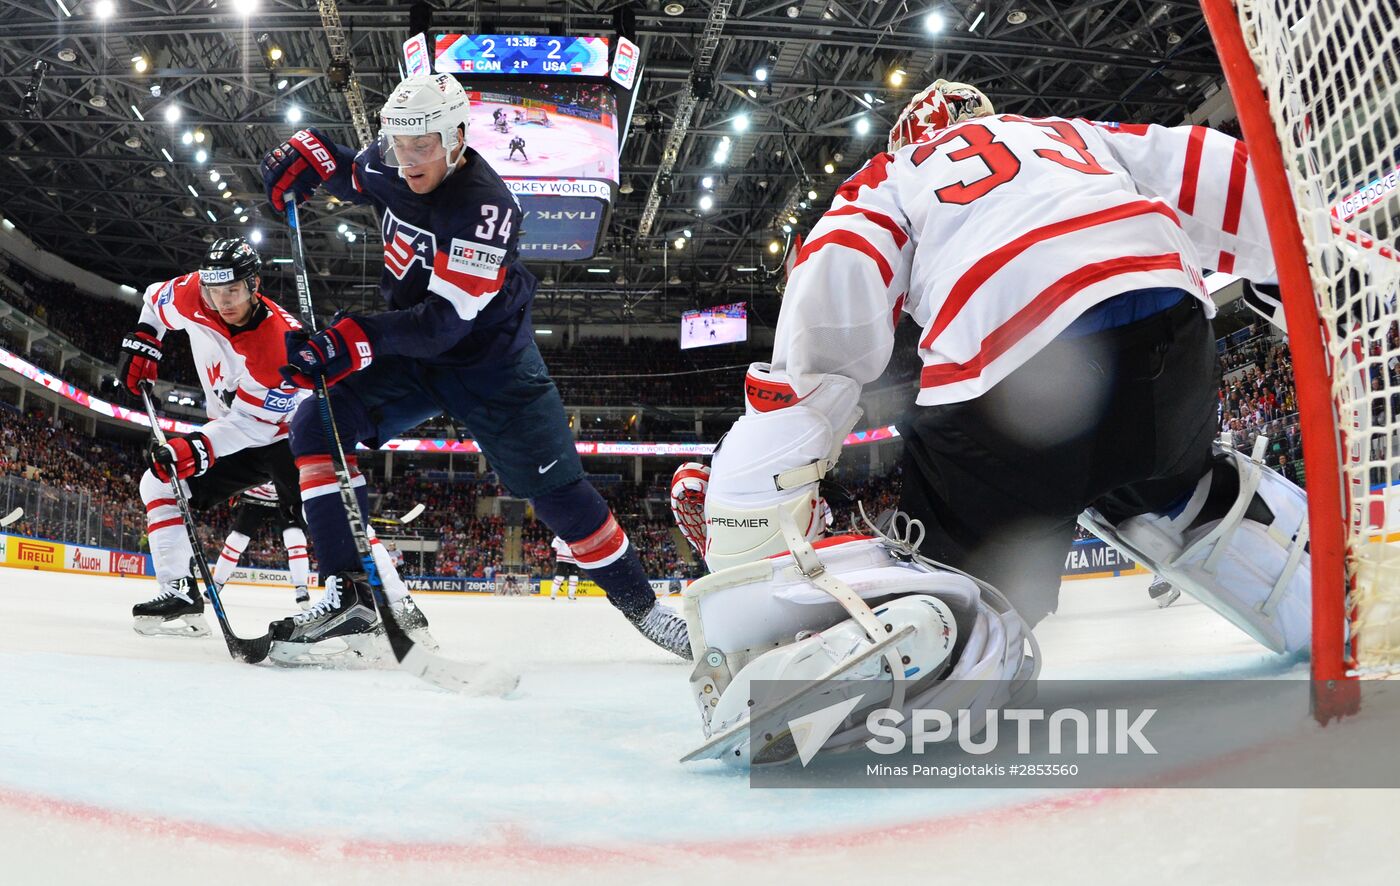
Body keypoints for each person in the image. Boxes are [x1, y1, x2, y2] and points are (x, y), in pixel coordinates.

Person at [672, 80, 1314, 762]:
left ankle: (948, 636)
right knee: (1167, 490)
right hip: (1169, 326)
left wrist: (784, 451)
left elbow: (839, 281)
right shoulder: (1069, 132)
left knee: (969, 588)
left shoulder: (895, 172)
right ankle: (1309, 589)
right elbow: (1215, 172)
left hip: (1013, 368)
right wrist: (1298, 260)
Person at [260, 73, 689, 658]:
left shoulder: (486, 208)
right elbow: (354, 175)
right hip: (414, 354)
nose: (408, 160)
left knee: (559, 493)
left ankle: (645, 609)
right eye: (397, 144)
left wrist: (351, 340)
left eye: (423, 146)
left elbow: (443, 324)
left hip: (492, 367)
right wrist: (313, 155)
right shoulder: (394, 161)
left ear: (457, 138)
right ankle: (351, 593)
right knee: (317, 421)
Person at [118, 238, 307, 637]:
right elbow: (155, 301)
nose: (223, 301)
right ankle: (180, 594)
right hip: (236, 429)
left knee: (329, 512)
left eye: (233, 291)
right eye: (215, 291)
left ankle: (391, 603)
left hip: (287, 434)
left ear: (254, 285)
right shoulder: (193, 294)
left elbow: (257, 425)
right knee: (160, 482)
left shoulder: (278, 345)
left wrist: (200, 446)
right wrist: (147, 340)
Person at [212, 482, 312, 609]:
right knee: (235, 541)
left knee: (295, 539)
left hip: (285, 498)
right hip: (255, 498)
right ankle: (216, 585)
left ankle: (301, 588)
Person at [550, 535, 579, 601]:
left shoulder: (577, 533)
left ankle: (571, 595)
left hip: (574, 559)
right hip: (563, 558)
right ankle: (553, 594)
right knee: (560, 577)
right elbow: (554, 544)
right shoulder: (563, 532)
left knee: (574, 578)